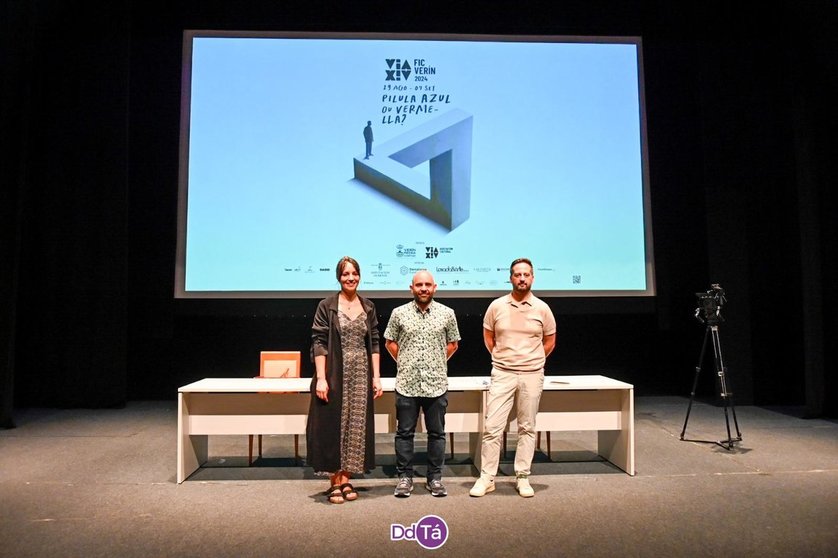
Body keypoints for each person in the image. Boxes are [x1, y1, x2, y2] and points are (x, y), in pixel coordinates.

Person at [469, 258, 556, 498]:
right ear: (510, 278)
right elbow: (489, 338)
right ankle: (487, 477)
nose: (522, 278)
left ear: (532, 278)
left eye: (526, 274)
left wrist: (531, 360)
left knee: (527, 427)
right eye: (517, 274)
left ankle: (522, 476)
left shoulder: (542, 308)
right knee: (492, 427)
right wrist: (505, 359)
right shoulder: (496, 306)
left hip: (532, 374)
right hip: (503, 373)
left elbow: (549, 341)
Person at [306, 256, 383, 504]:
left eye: (354, 273)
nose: (350, 278)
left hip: (361, 372)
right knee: (332, 425)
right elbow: (318, 341)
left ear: (359, 276)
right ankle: (333, 480)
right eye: (345, 274)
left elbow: (373, 342)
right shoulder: (327, 305)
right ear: (339, 278)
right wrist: (321, 378)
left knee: (355, 426)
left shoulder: (368, 306)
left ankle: (347, 477)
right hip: (334, 372)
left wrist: (377, 377)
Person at [384, 270, 460, 498]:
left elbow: (453, 344)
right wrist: (406, 362)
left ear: (435, 287)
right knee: (404, 433)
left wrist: (435, 362)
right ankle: (405, 478)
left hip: (436, 383)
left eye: (428, 284)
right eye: (419, 285)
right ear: (412, 288)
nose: (424, 288)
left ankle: (435, 479)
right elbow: (390, 342)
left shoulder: (447, 314)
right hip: (407, 383)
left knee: (436, 434)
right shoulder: (399, 313)